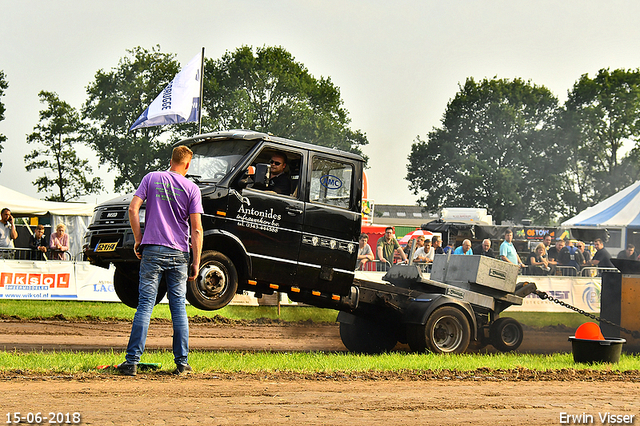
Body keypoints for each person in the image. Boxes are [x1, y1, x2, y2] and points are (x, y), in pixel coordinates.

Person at [117, 146, 204, 377]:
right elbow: (196, 230)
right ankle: (182, 363)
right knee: (178, 308)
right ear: (187, 165)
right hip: (179, 254)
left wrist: (138, 239)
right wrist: (196, 261)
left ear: (171, 161)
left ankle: (132, 362)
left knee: (145, 304)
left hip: (152, 250)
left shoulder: (152, 178)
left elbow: (133, 208)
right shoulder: (192, 189)